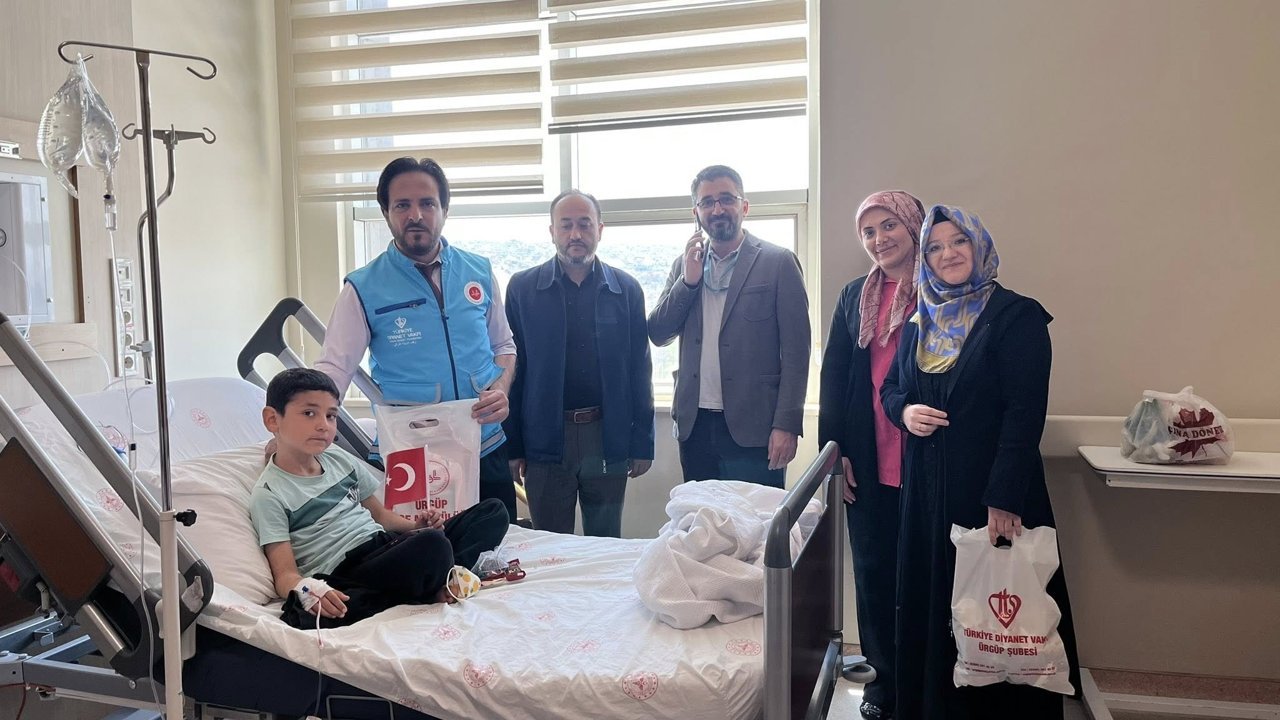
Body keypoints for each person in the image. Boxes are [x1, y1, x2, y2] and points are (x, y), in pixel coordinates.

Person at [881, 206, 1079, 718]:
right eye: (934, 247)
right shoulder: (919, 320)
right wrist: (905, 412)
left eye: (958, 242)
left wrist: (1004, 498)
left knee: (997, 618)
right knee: (938, 609)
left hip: (989, 495)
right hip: (927, 498)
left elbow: (1024, 413)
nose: (947, 254)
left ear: (979, 245)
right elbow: (891, 388)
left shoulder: (1016, 317)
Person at [315, 157, 518, 523]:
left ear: (444, 210)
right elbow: (335, 367)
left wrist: (501, 387)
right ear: (386, 212)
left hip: (483, 444)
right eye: (402, 205)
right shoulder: (363, 287)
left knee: (498, 548)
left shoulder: (479, 272)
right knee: (424, 550)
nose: (416, 215)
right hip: (411, 452)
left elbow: (503, 346)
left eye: (427, 203)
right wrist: (299, 428)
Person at [250, 368, 508, 625]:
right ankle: (436, 581)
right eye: (309, 413)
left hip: (385, 546)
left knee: (493, 512)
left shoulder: (339, 459)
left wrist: (416, 527)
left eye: (331, 415)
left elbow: (381, 516)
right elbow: (285, 575)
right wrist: (309, 591)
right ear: (273, 420)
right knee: (432, 546)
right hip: (347, 570)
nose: (323, 425)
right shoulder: (269, 494)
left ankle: (436, 581)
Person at [818, 190, 925, 720]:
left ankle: (926, 692)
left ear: (914, 226)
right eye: (869, 231)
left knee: (927, 581)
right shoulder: (852, 297)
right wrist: (834, 451)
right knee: (874, 578)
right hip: (868, 459)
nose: (879, 239)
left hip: (927, 463)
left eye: (889, 226)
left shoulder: (941, 292)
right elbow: (835, 376)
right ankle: (882, 690)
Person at [503, 190, 654, 537]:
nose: (575, 234)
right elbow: (512, 372)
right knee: (550, 547)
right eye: (566, 225)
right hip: (544, 438)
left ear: (600, 229)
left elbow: (639, 369)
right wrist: (513, 447)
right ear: (552, 231)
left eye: (585, 225)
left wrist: (642, 443)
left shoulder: (626, 289)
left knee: (605, 541)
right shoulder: (523, 289)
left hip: (607, 436)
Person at [648, 165, 810, 487]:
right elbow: (659, 333)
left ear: (744, 206)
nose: (717, 209)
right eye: (707, 202)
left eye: (726, 199)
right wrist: (688, 282)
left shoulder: (778, 262)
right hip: (695, 427)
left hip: (756, 428)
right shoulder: (684, 265)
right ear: (696, 212)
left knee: (757, 518)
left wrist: (787, 424)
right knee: (700, 517)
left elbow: (796, 352)